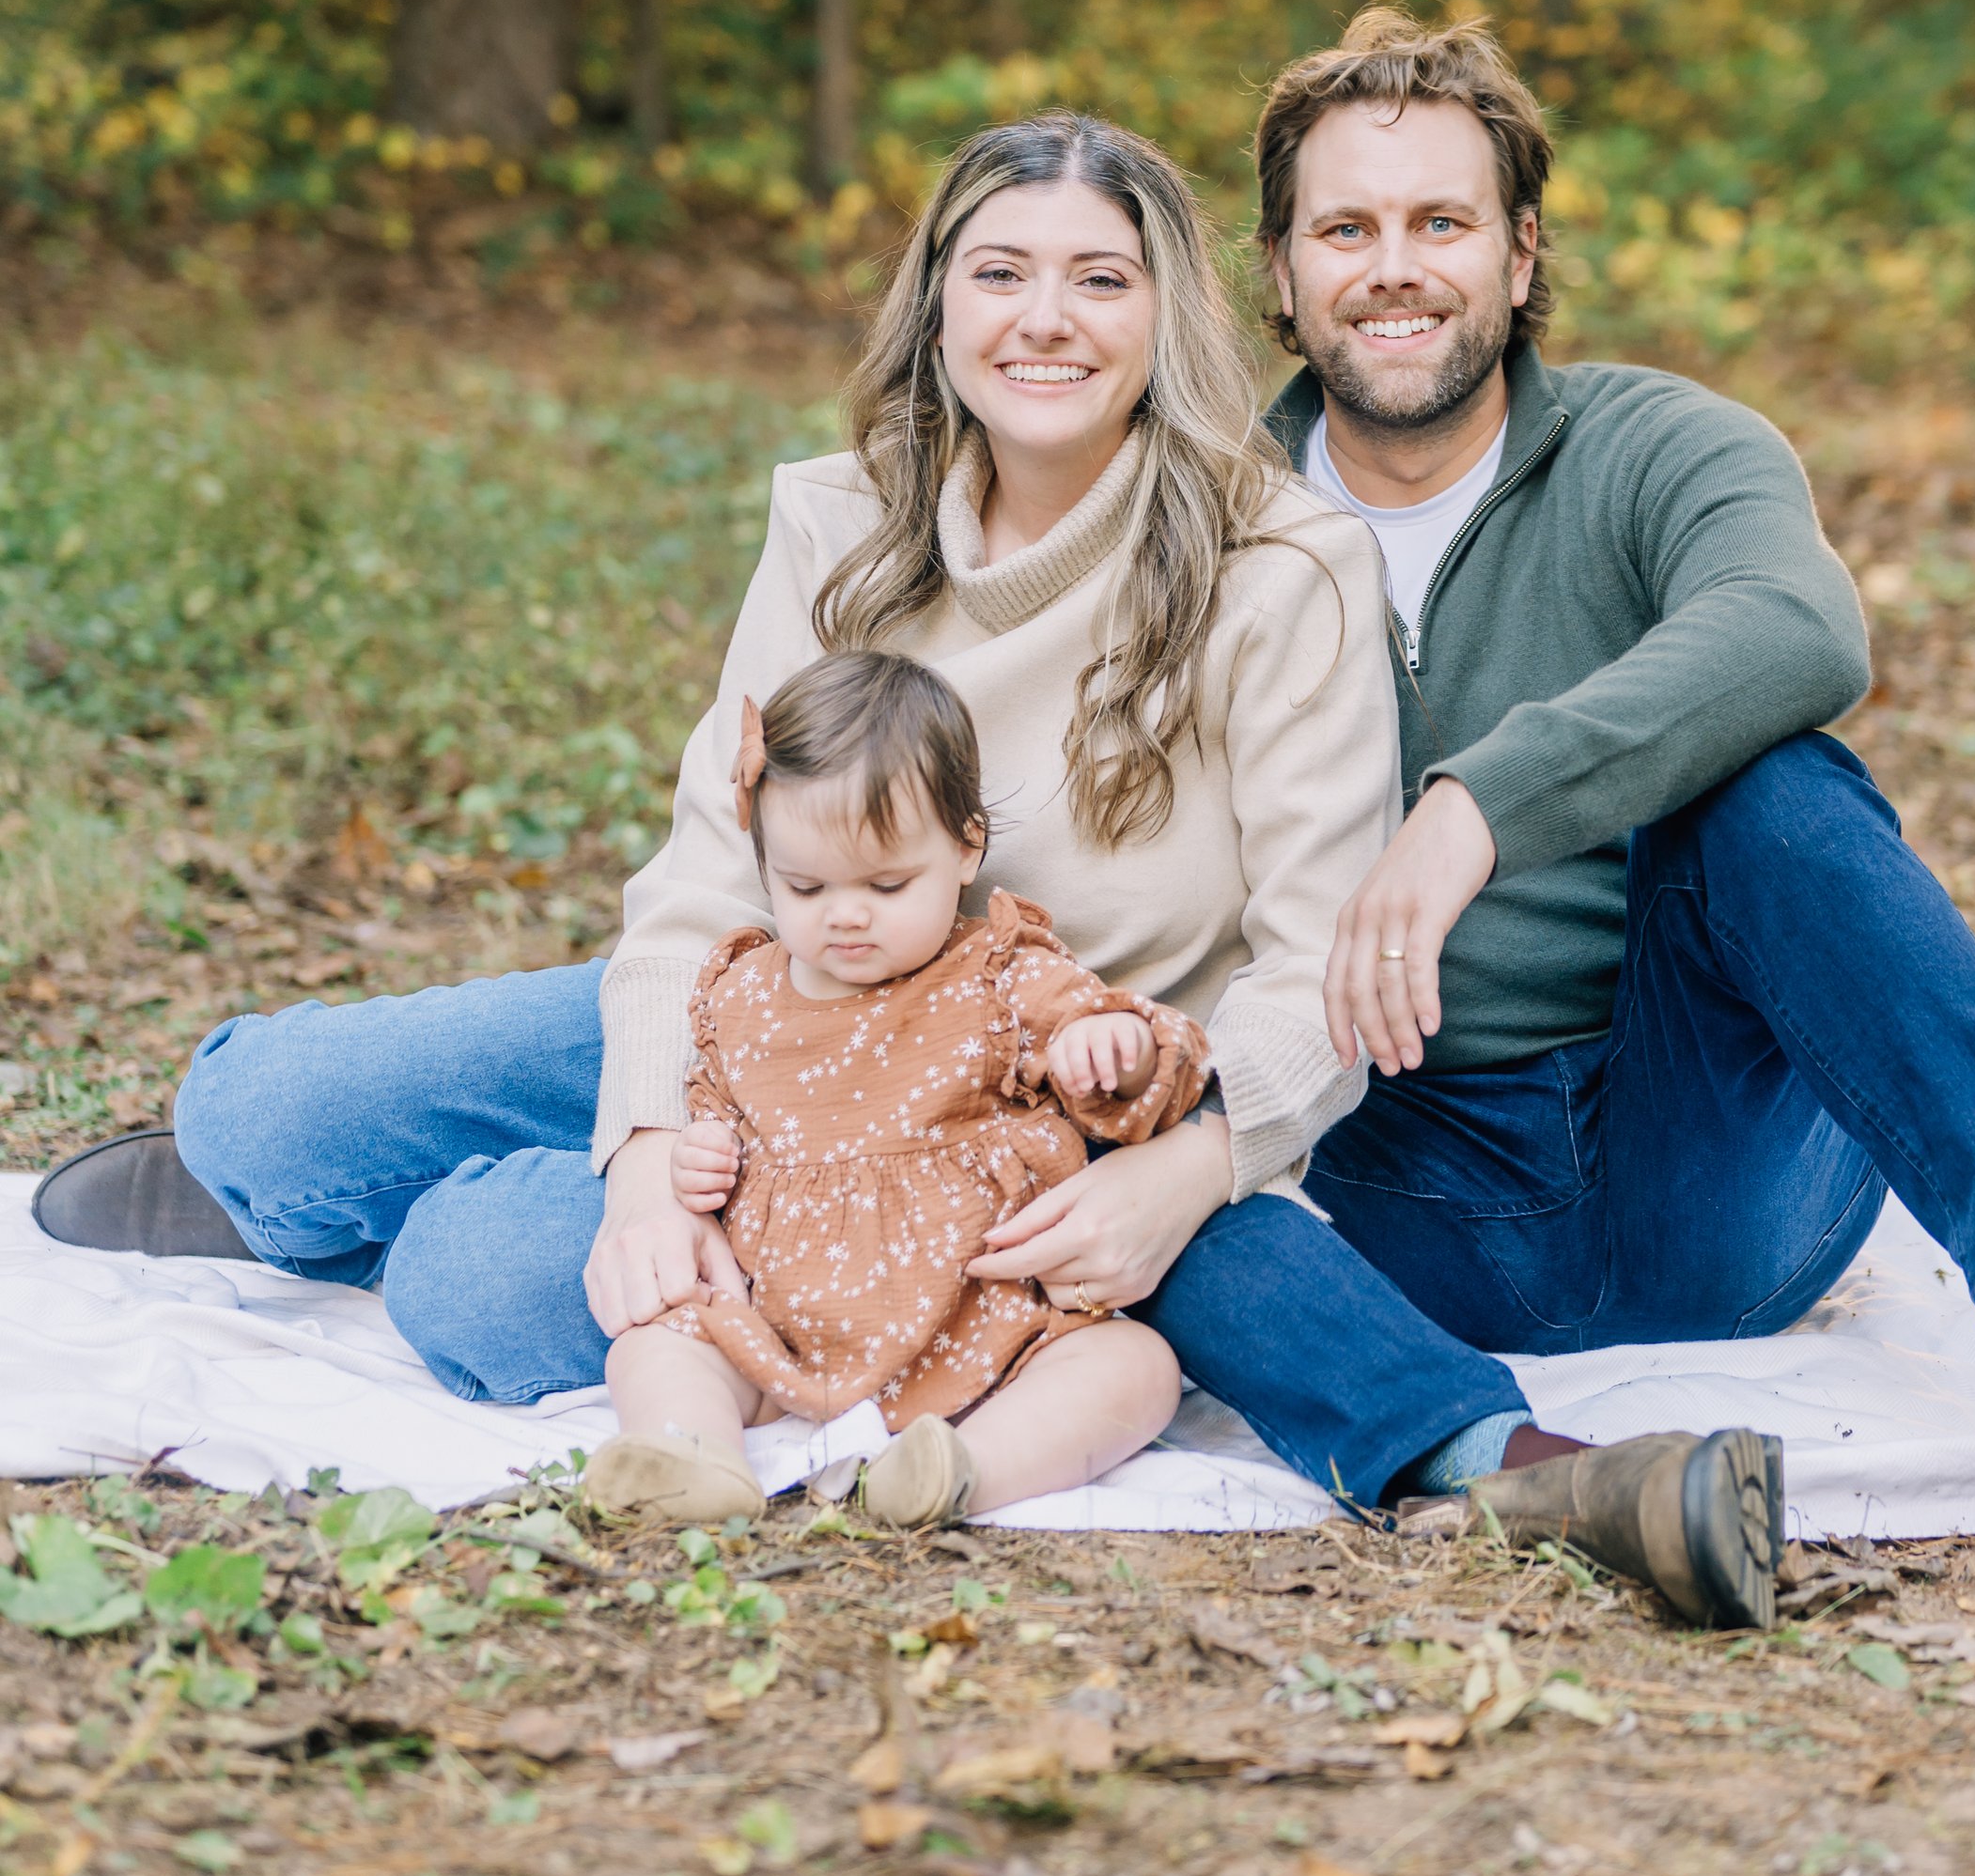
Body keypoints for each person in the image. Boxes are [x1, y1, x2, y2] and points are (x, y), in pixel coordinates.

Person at [42, 115, 1425, 1466]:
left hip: (986, 1108)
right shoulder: (845, 520)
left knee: (467, 1286)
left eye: (1100, 278)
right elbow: (711, 871)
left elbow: (1320, 971)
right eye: (1000, 271)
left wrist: (1178, 1170)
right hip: (775, 1015)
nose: (1045, 318)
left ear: (1163, 316)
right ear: (939, 307)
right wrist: (649, 1150)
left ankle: (405, 1218)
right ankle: (298, 1195)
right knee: (255, 1113)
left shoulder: (1281, 572)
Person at [1232, 3, 1975, 1631]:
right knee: (1145, 1161)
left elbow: (1799, 627)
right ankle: (1532, 1464)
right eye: (1344, 227)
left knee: (1775, 784)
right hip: (1388, 1175)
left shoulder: (1657, 445)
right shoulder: (1208, 515)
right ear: (1279, 272)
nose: (1394, 266)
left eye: (1442, 221)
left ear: (1521, 254)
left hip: (1709, 1165)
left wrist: (1475, 806)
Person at [589, 650, 1203, 1530]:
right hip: (782, 1322)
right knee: (654, 1342)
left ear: (966, 846)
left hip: (983, 1320)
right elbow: (716, 1101)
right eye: (804, 885)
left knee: (1133, 1367)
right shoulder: (742, 991)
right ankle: (693, 1456)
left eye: (886, 884)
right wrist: (701, 1157)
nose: (845, 914)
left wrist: (1118, 1050)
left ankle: (961, 1471)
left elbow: (1133, 1069)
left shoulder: (996, 974)